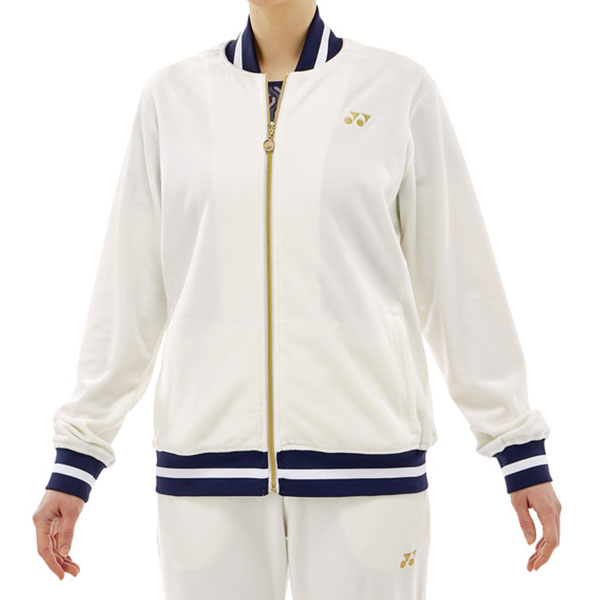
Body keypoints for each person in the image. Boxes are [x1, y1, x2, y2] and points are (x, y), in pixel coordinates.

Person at [32, 1, 562, 598]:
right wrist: (78, 456)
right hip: (206, 473)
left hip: (368, 465)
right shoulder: (171, 98)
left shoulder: (397, 88)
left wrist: (516, 444)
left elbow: (458, 278)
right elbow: (127, 291)